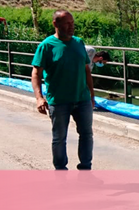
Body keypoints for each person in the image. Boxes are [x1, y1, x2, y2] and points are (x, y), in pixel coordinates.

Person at [31, 10, 95, 170]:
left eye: (72, 23)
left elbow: (86, 70)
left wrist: (92, 95)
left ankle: (85, 168)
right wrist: (39, 97)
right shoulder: (46, 46)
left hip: (82, 99)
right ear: (56, 24)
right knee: (59, 138)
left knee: (87, 135)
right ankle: (60, 171)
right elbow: (36, 73)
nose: (71, 27)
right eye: (67, 23)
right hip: (59, 101)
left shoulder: (79, 43)